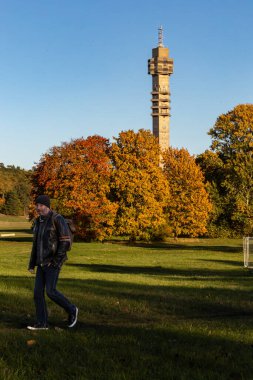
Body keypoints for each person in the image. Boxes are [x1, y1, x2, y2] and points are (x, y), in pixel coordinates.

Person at [27, 194, 78, 330]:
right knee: (38, 293)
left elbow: (65, 241)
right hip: (41, 263)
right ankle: (42, 323)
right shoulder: (38, 221)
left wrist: (55, 261)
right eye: (36, 205)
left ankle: (72, 309)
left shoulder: (57, 218)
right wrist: (32, 264)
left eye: (39, 205)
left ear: (46, 205)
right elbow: (36, 244)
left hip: (53, 262)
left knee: (51, 291)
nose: (37, 208)